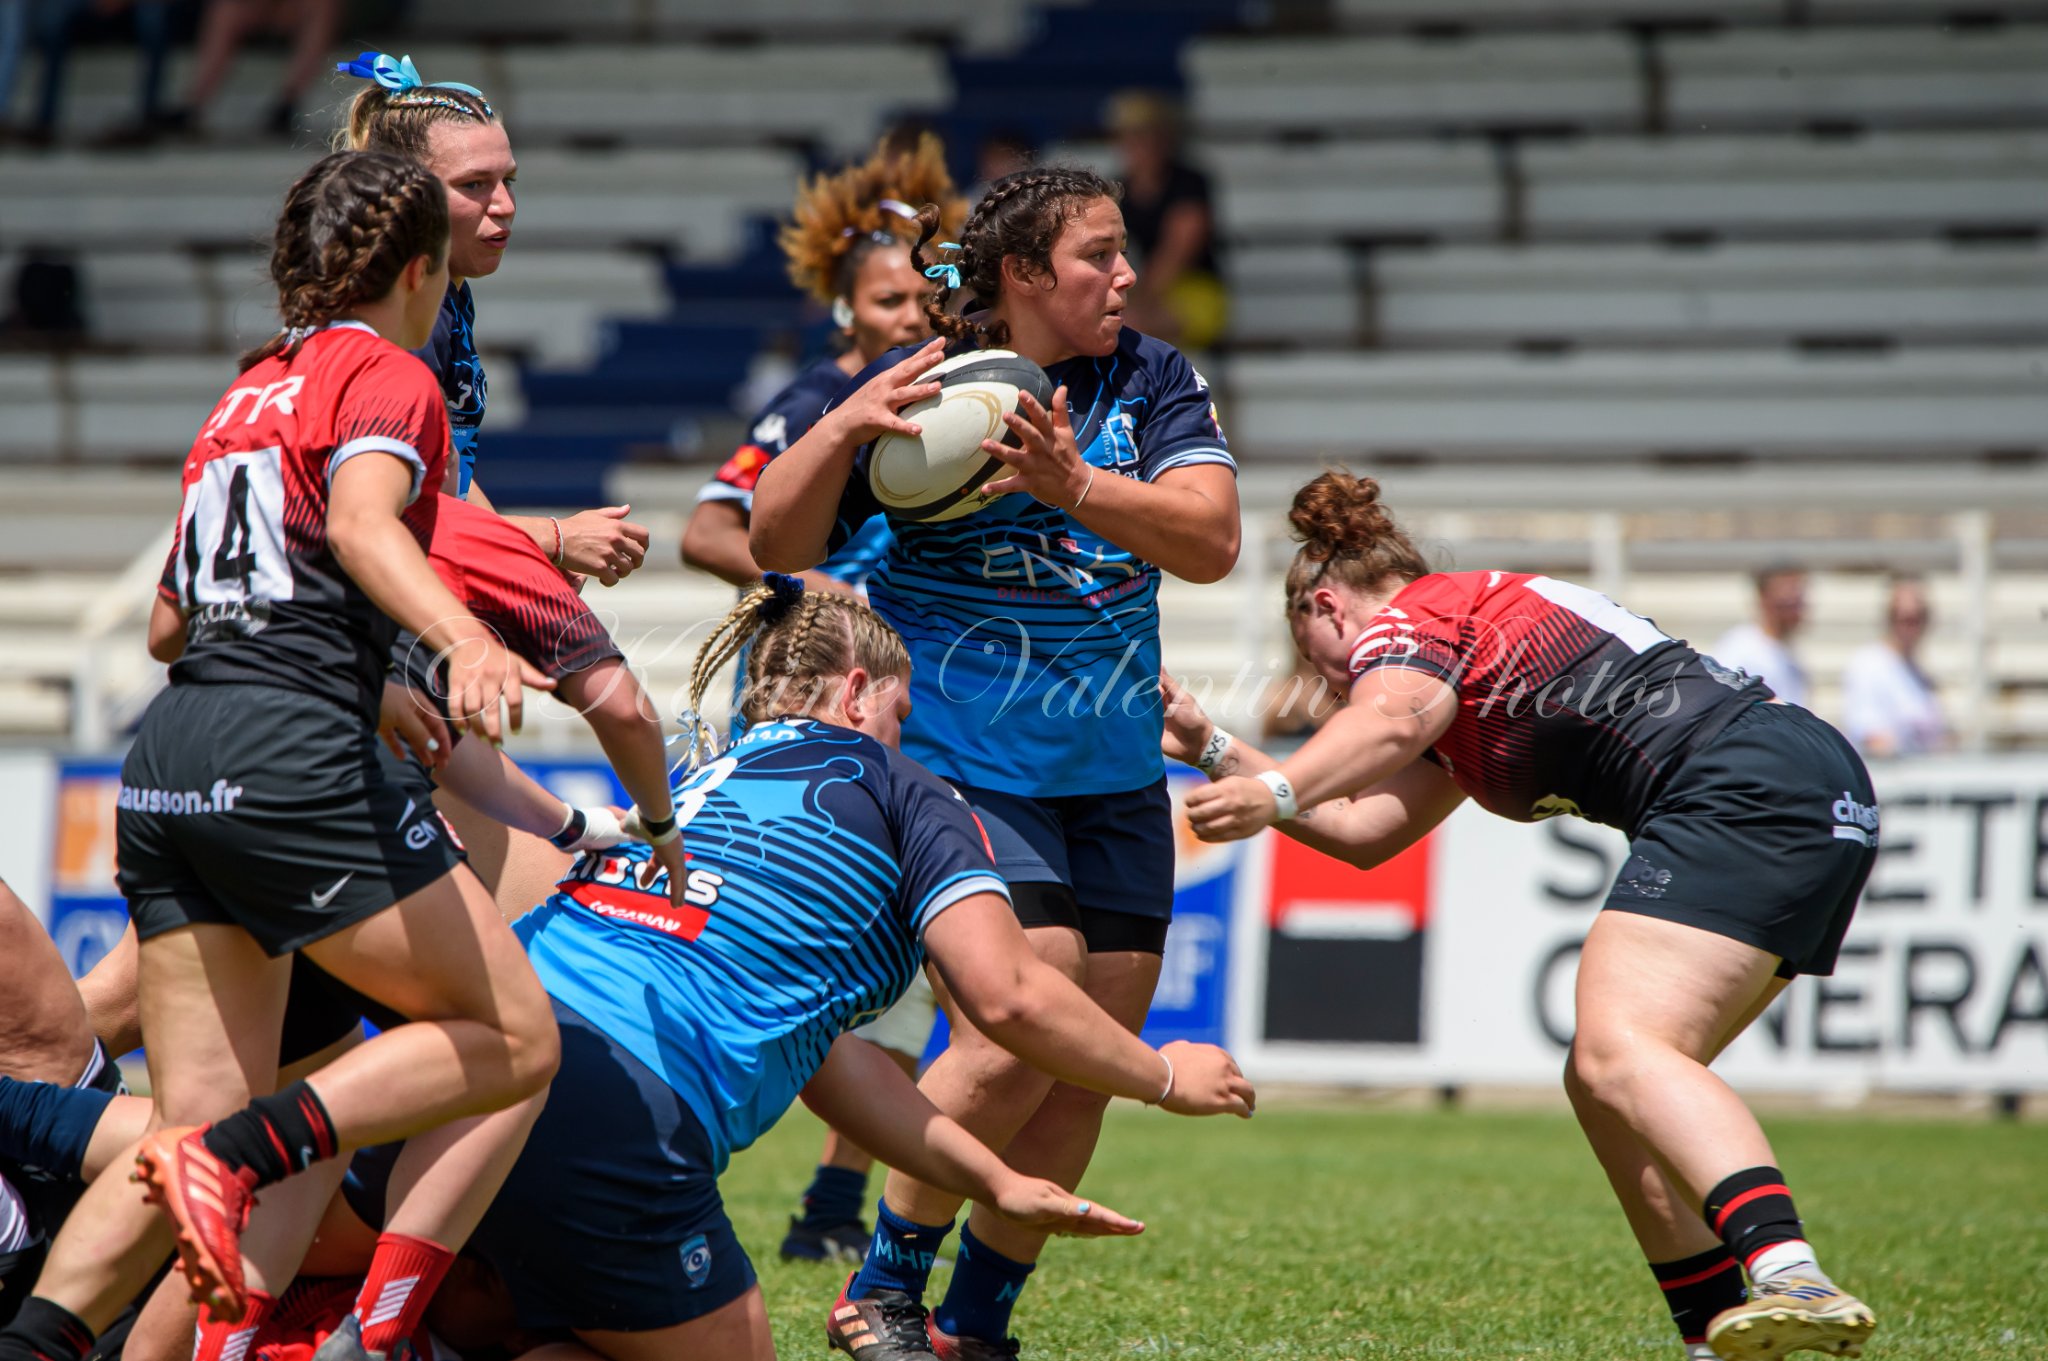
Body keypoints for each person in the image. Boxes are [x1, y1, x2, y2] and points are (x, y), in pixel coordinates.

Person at [0, 151, 565, 1361]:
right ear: (419, 269)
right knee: (517, 1036)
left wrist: (360, 677)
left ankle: (38, 1341)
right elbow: (361, 525)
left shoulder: (246, 389)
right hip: (284, 754)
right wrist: (460, 636)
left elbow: (168, 623)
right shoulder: (392, 373)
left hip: (168, 757)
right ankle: (236, 1155)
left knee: (184, 1127)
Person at [1167, 471, 1881, 1361]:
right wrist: (1211, 746)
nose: (1327, 683)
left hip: (1741, 785)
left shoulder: (1416, 617)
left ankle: (1789, 1270)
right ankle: (1713, 1336)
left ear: (1327, 607)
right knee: (1609, 1079)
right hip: (1808, 784)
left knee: (1621, 1047)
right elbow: (1362, 830)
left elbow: (1386, 723)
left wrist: (1274, 789)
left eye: (1316, 661)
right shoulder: (1454, 665)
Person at [751, 165, 1240, 1360]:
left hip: (1111, 766)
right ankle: (880, 1288)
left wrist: (1077, 485)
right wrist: (839, 427)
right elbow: (771, 538)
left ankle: (973, 1324)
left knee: (1086, 1063)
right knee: (1029, 1006)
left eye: (1122, 251)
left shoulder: (1153, 378)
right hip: (964, 756)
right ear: (1022, 274)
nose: (1125, 274)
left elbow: (1212, 538)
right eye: (1097, 255)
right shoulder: (928, 382)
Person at [680, 131, 968, 1264]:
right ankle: (689, 1154)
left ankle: (834, 1203)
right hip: (815, 701)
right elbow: (710, 527)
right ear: (846, 311)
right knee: (794, 949)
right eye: (887, 300)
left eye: (922, 297)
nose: (907, 318)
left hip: (909, 702)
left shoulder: (959, 393)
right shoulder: (817, 398)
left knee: (906, 962)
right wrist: (814, 586)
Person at [336, 51, 651, 588]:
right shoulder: (398, 317)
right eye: (474, 184)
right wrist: (552, 538)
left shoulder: (448, 296)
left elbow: (450, 475)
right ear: (404, 195)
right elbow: (393, 513)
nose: (505, 204)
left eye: (509, 180)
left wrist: (523, 556)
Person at [1106, 91, 1225, 352]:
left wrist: (1136, 299)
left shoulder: (1188, 184)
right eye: (1131, 135)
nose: (1139, 144)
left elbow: (1178, 252)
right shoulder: (1119, 188)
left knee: (1126, 323)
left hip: (1195, 291)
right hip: (1143, 292)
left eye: (1146, 134)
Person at [1840, 576, 1950, 758]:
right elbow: (1871, 737)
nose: (1910, 628)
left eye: (1917, 618)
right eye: (1903, 618)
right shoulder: (1869, 665)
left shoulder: (1919, 673)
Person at [1713, 563, 1810, 709]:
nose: (1796, 610)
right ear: (1764, 598)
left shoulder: (1788, 654)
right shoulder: (1740, 648)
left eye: (1798, 601)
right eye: (1787, 601)